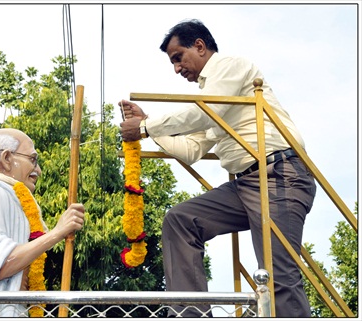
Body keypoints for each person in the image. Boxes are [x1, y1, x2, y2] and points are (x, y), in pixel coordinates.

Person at [119, 19, 316, 318]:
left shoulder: (230, 67)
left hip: (279, 175)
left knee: (278, 277)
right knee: (180, 220)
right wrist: (149, 127)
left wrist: (145, 126)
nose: (176, 69)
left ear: (199, 45)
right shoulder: (209, 99)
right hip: (246, 184)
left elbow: (204, 112)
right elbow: (191, 150)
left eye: (178, 58)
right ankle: (191, 315)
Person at [0, 128, 85, 317]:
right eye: (33, 160)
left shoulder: (11, 196)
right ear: (7, 158)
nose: (38, 170)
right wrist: (58, 232)